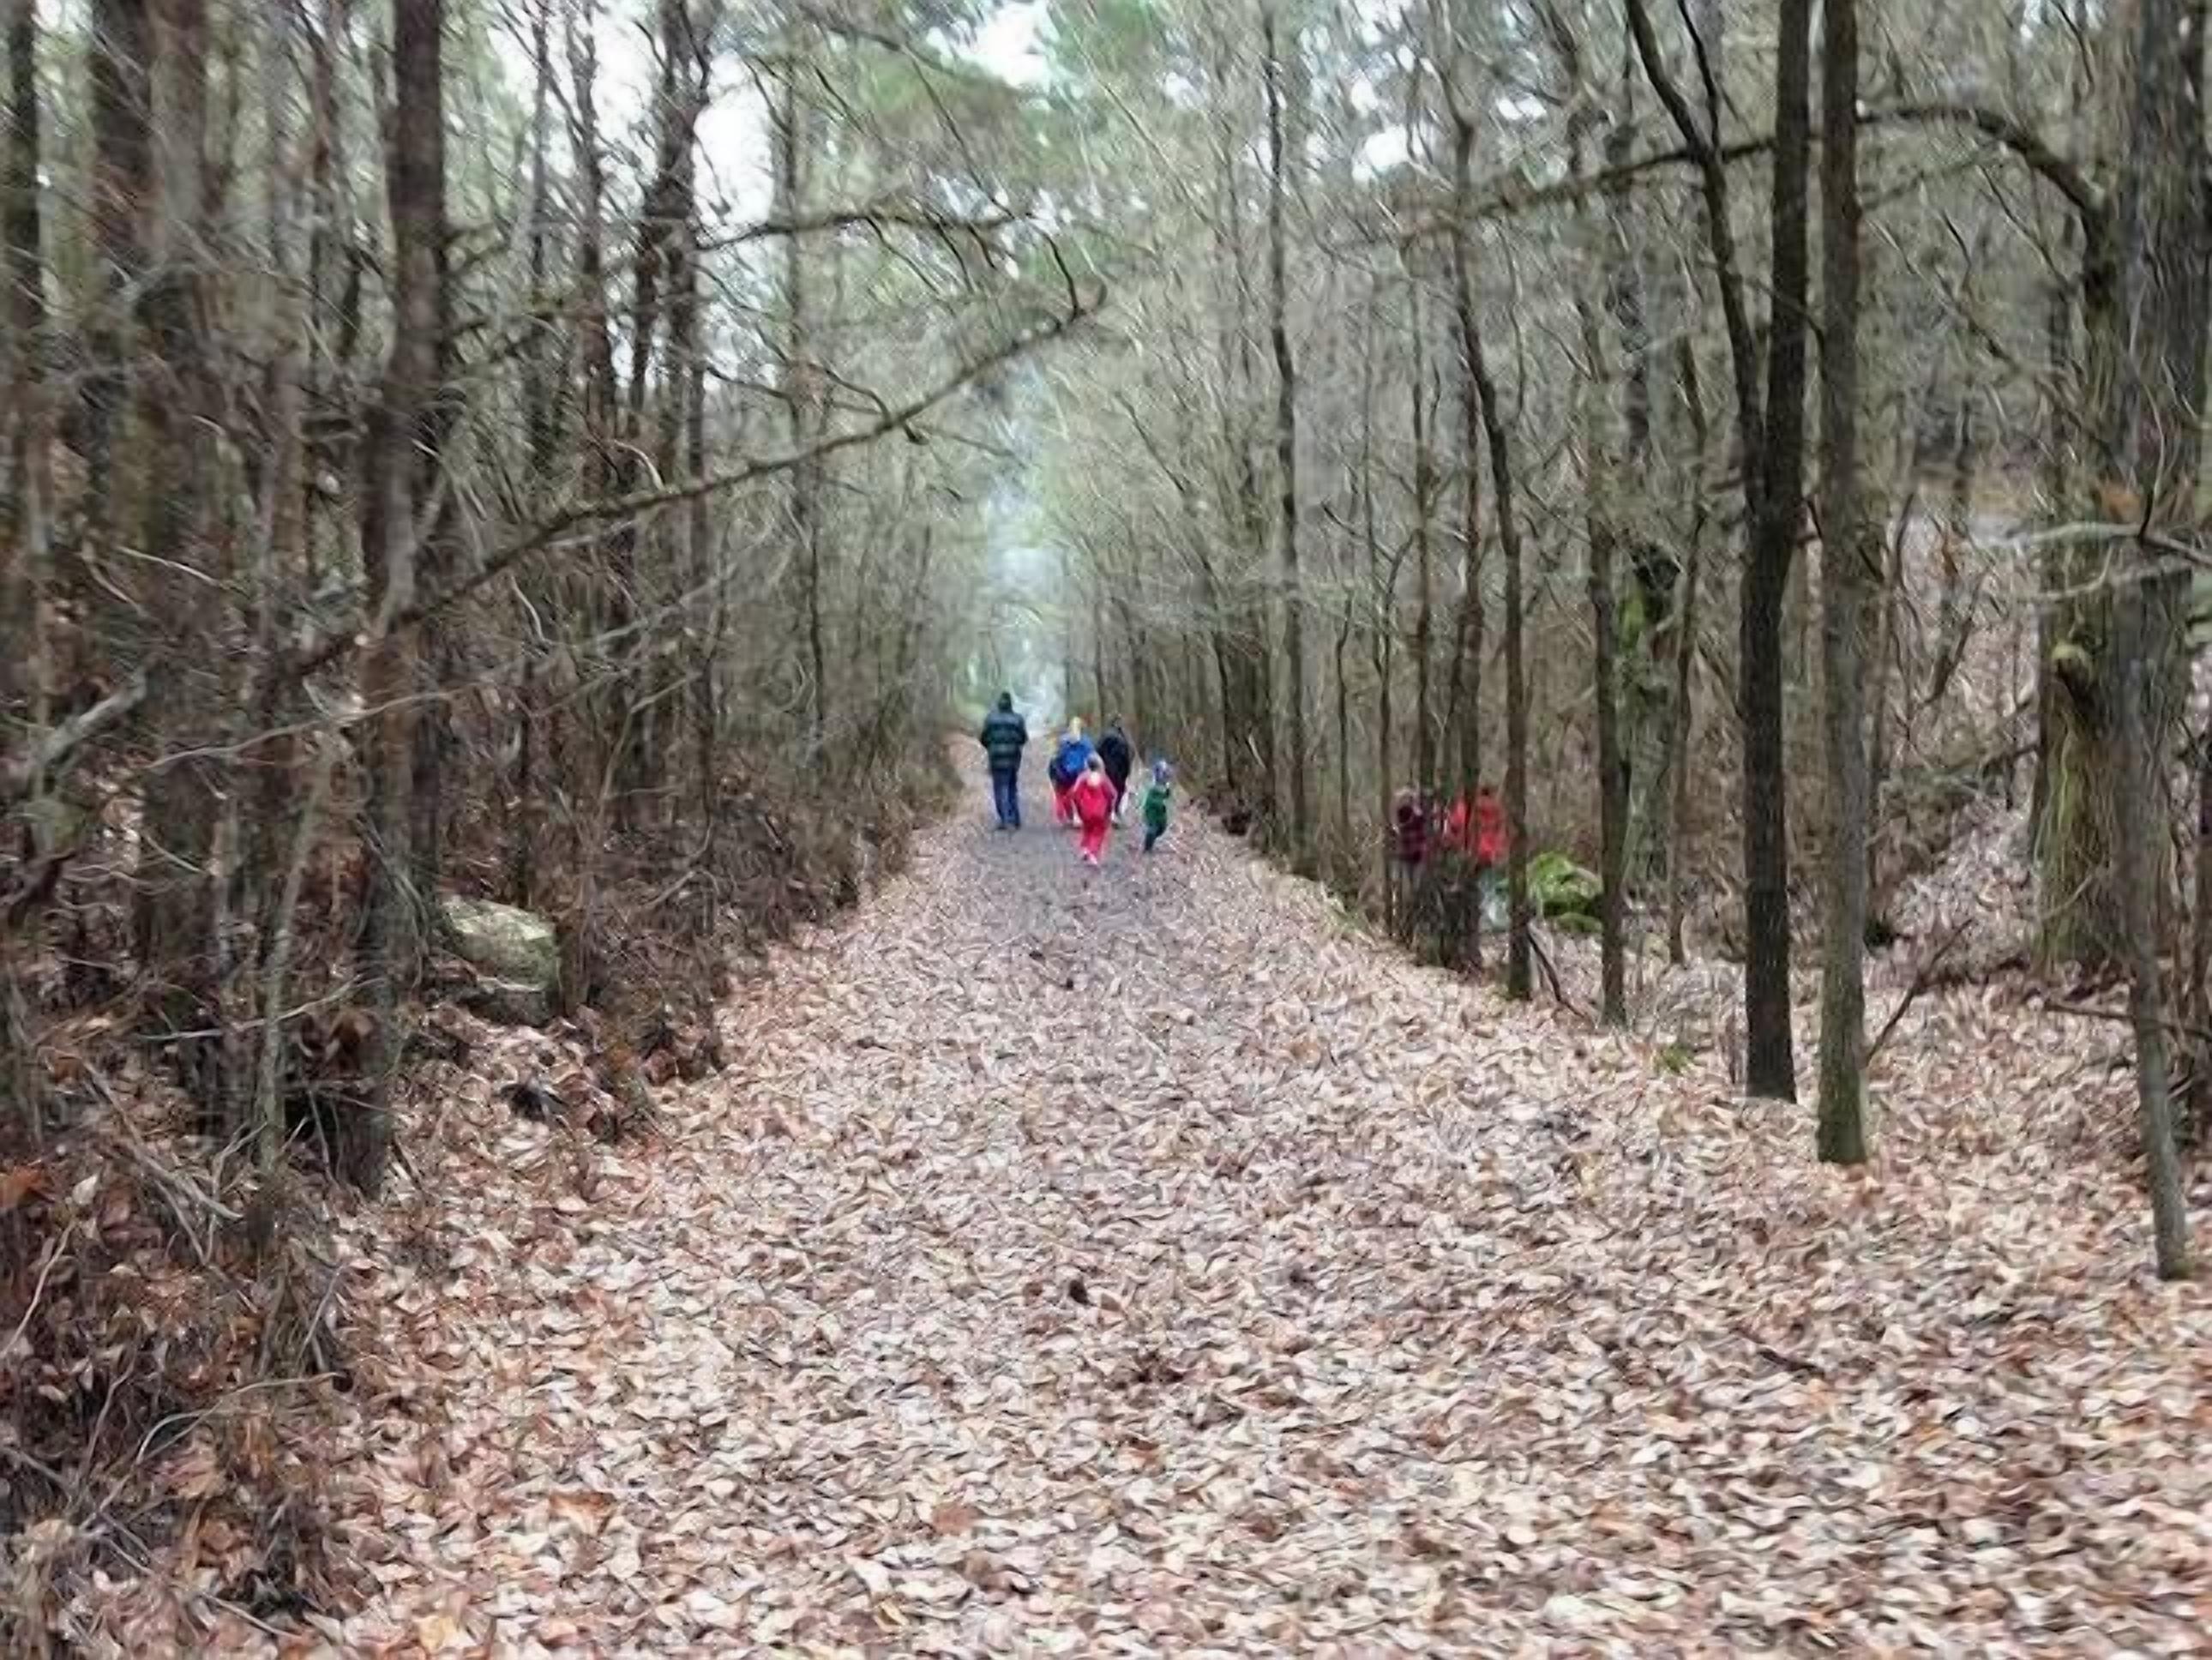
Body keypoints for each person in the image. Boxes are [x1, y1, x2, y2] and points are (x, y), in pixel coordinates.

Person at [977, 692, 1028, 829]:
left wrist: (992, 747)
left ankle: (1005, 819)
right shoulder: (1018, 719)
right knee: (1012, 787)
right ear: (1011, 704)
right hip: (1013, 758)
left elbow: (983, 738)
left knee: (1000, 788)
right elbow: (1023, 738)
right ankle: (1015, 818)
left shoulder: (990, 719)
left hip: (996, 759)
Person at [1070, 752, 1117, 866]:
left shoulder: (1082, 779)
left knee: (1087, 830)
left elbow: (1075, 794)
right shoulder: (1103, 779)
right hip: (1101, 813)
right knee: (1098, 833)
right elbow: (1112, 794)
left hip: (1085, 812)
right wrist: (1111, 810)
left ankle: (1085, 849)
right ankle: (1092, 853)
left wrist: (1078, 810)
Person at [1049, 719, 1093, 827]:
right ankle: (1075, 817)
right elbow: (1091, 757)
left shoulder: (1063, 741)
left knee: (1063, 796)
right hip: (1077, 773)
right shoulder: (1086, 742)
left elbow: (1056, 758)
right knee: (1074, 796)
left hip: (1064, 773)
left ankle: (1069, 817)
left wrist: (1054, 773)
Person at [1097, 718, 1134, 825]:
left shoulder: (1105, 736)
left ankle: (1108, 812)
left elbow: (1097, 751)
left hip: (1106, 768)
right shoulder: (1122, 739)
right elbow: (1126, 757)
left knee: (1107, 791)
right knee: (1119, 791)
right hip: (1118, 770)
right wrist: (1127, 772)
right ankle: (1115, 812)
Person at [1140, 758, 1174, 853]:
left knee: (1161, 828)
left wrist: (1168, 790)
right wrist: (1160, 803)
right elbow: (1151, 801)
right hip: (1152, 812)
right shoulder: (1153, 789)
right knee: (1152, 829)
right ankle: (1147, 848)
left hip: (1161, 813)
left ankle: (1151, 840)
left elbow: (1167, 795)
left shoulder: (1165, 786)